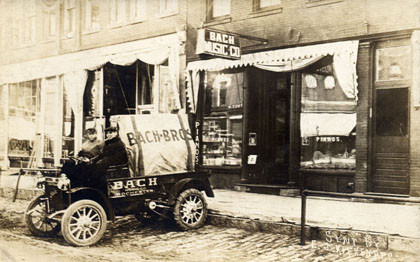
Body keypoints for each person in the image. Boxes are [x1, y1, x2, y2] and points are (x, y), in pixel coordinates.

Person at [88, 126, 128, 191]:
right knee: (93, 164)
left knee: (100, 164)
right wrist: (93, 159)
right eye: (107, 133)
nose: (108, 135)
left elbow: (120, 157)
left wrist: (104, 160)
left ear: (116, 133)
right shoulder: (108, 142)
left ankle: (98, 185)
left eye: (111, 133)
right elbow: (103, 154)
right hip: (108, 161)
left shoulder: (119, 143)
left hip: (117, 163)